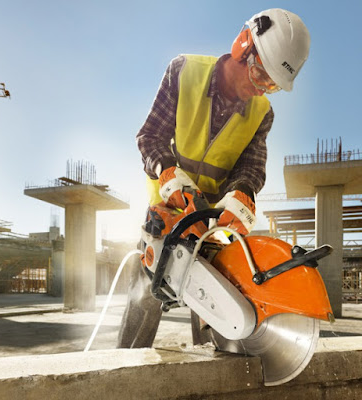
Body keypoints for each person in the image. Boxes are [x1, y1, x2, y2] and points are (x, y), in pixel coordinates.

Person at [117, 8, 310, 348]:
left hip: (211, 226)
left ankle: (213, 375)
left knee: (217, 311)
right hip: (167, 211)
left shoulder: (262, 113)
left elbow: (251, 167)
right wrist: (168, 172)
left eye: (271, 86)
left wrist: (243, 193)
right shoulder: (184, 71)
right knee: (146, 297)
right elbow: (150, 137)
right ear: (242, 45)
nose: (261, 89)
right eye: (260, 76)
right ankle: (119, 374)